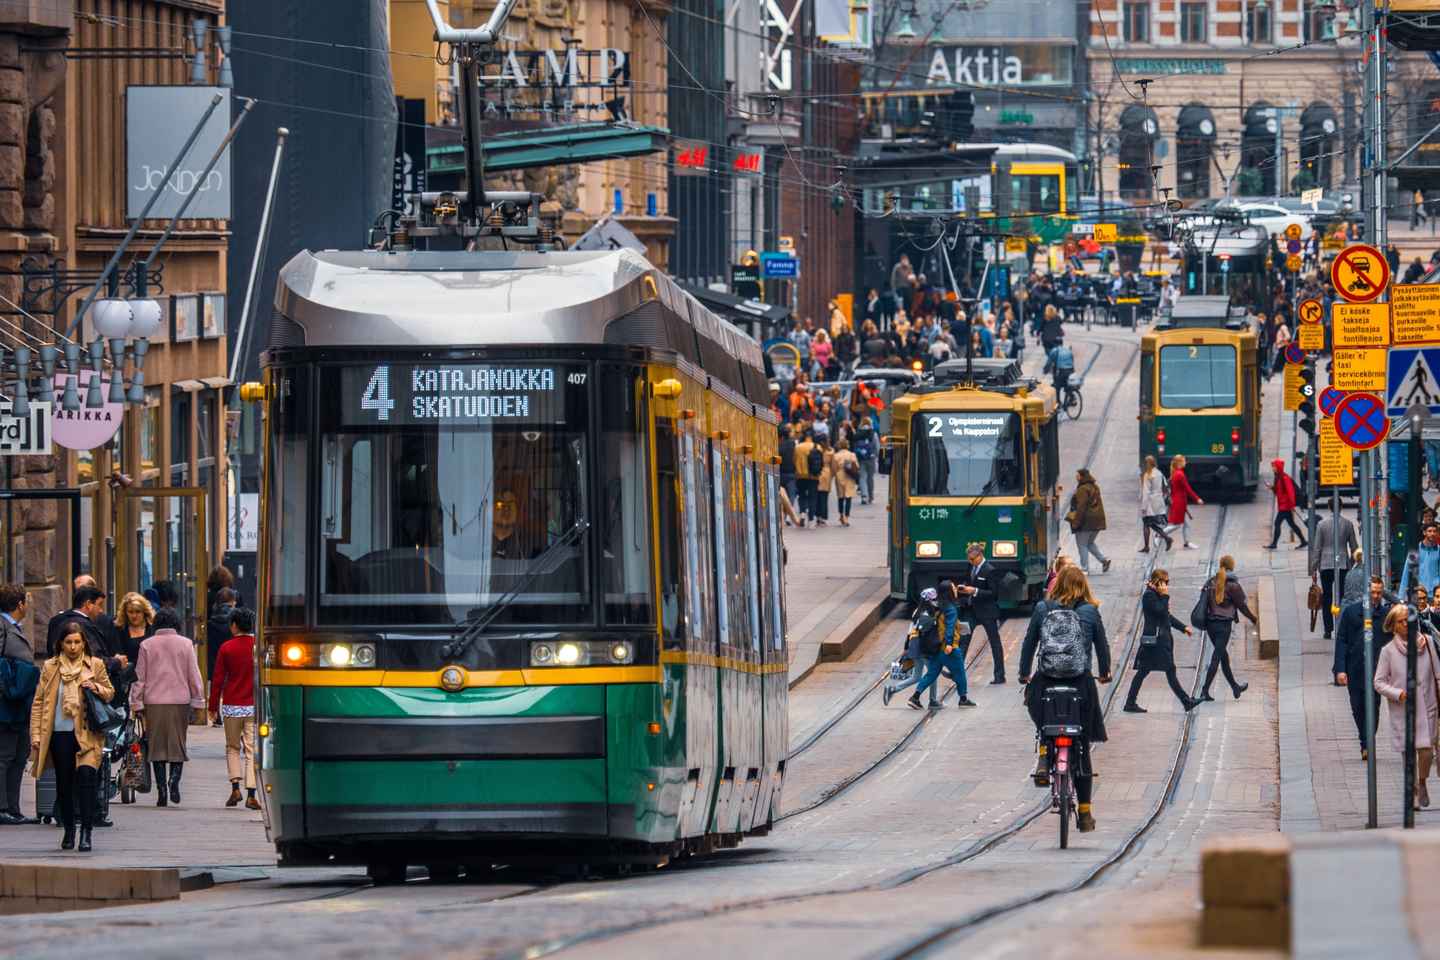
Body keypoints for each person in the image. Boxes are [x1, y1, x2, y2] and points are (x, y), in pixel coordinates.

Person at [1019, 565, 1112, 833]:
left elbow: (1028, 644)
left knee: (1039, 715)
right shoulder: (1090, 612)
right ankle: (1085, 813)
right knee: (1081, 745)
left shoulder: (1042, 609)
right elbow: (1102, 647)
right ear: (1084, 587)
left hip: (1046, 683)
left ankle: (1045, 753)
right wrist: (1104, 672)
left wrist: (1024, 674)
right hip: (1080, 685)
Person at [29, 622, 113, 851]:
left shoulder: (94, 665)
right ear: (61, 644)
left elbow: (109, 692)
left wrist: (95, 686)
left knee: (87, 781)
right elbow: (39, 702)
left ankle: (86, 832)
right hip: (58, 734)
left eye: (77, 642)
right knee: (64, 786)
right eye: (69, 642)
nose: (73, 647)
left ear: (84, 643)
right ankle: (69, 829)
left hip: (87, 735)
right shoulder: (50, 667)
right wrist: (36, 734)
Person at [130, 608, 204, 807]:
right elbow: (193, 675)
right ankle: (174, 781)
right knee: (178, 744)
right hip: (180, 701)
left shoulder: (146, 645)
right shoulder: (186, 644)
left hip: (153, 702)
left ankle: (161, 790)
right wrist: (198, 701)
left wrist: (136, 703)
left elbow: (140, 678)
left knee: (156, 747)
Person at [1374, 604, 1440, 809]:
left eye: (1409, 620)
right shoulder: (1388, 652)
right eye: (1401, 622)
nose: (1406, 625)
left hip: (1428, 706)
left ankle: (1422, 781)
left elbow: (1438, 673)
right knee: (1409, 754)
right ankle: (1412, 793)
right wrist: (1397, 693)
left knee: (1427, 752)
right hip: (1404, 710)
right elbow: (1379, 682)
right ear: (1394, 626)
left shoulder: (1427, 643)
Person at [1124, 569, 1199, 713]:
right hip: (1156, 642)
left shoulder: (1156, 595)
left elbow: (1167, 617)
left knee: (1144, 671)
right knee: (1166, 670)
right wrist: (1165, 596)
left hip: (1159, 641)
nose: (1166, 586)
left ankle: (1130, 702)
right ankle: (1186, 701)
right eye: (1165, 582)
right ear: (1157, 582)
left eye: (1167, 583)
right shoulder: (1149, 596)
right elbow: (1160, 611)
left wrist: (1183, 628)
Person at [209, 607, 260, 810]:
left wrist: (213, 707)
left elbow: (218, 680)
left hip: (231, 705)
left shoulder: (227, 648)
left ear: (234, 625)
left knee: (232, 748)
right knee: (251, 749)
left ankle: (235, 788)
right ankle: (251, 794)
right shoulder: (259, 647)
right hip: (254, 706)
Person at [1335, 576, 1389, 758]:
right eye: (1373, 592)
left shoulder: (1385, 615)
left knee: (1374, 706)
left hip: (1376, 670)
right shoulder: (1351, 613)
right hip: (1356, 669)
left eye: (1379, 593)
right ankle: (1364, 739)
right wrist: (1340, 669)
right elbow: (1341, 641)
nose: (1376, 596)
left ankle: (1368, 742)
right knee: (1358, 706)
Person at [0, 583, 37, 825]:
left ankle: (13, 808)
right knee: (5, 756)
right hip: (6, 704)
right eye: (27, 601)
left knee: (19, 755)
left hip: (20, 704)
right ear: (20, 604)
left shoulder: (15, 627)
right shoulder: (2, 626)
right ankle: (3, 808)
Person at [1199, 556, 1257, 702]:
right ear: (1232, 566)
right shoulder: (1233, 585)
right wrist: (1252, 618)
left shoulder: (1211, 581)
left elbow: (1202, 600)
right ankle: (1204, 690)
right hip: (1223, 626)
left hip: (1211, 625)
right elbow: (1242, 606)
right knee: (1217, 657)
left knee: (1223, 657)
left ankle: (1235, 687)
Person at [958, 542, 1006, 684]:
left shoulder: (990, 570)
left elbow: (994, 593)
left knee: (994, 643)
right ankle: (956, 671)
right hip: (971, 610)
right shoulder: (971, 567)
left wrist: (975, 591)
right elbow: (967, 580)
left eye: (972, 559)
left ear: (980, 556)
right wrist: (963, 588)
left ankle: (999, 675)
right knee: (964, 640)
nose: (971, 562)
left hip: (987, 612)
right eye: (969, 559)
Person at [1309, 511, 1359, 640]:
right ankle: (1342, 625)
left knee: (1327, 597)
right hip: (1342, 564)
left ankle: (1328, 629)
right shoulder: (1348, 524)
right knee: (1343, 597)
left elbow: (1317, 548)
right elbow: (1354, 547)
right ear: (1342, 507)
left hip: (1325, 565)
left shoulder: (1321, 524)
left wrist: (1314, 568)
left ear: (1328, 507)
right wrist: (1351, 562)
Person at [1068, 468, 1112, 575]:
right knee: (1089, 543)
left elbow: (1081, 507)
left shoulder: (1083, 489)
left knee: (1082, 545)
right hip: (1097, 521)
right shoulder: (1094, 487)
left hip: (1086, 521)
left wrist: (1076, 522)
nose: (1076, 477)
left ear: (1082, 477)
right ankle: (1104, 561)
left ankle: (1084, 569)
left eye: (1078, 475)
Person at [1264, 459, 1307, 549]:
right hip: (1283, 506)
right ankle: (1303, 541)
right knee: (1292, 524)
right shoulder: (1278, 477)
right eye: (1273, 467)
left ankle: (1274, 544)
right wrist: (1272, 487)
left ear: (1278, 467)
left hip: (1285, 506)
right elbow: (1278, 492)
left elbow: (1290, 492)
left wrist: (1291, 505)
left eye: (1274, 466)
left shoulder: (1284, 478)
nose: (1273, 468)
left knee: (1277, 523)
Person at [1164, 454, 1203, 549]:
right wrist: (1197, 498)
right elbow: (1188, 489)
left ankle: (1187, 542)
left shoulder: (1176, 473)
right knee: (1177, 525)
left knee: (1186, 524)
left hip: (1178, 501)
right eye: (1184, 461)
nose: (1186, 462)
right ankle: (1160, 534)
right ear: (1180, 463)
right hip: (1179, 502)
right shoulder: (1180, 474)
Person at [109, 592, 155, 667]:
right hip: (128, 674)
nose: (134, 616)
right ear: (125, 612)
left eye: (138, 612)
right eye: (130, 612)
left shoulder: (152, 628)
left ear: (144, 612)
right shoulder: (120, 629)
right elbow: (117, 653)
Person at [1138, 455, 1173, 552]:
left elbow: (1146, 492)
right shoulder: (1159, 473)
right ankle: (1165, 539)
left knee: (1146, 523)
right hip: (1158, 501)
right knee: (1151, 523)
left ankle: (1163, 540)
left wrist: (1144, 507)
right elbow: (1165, 486)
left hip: (1150, 503)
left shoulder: (1148, 475)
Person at [831, 439, 860, 527]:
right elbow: (857, 466)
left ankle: (841, 515)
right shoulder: (852, 455)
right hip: (849, 477)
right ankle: (846, 517)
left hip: (840, 476)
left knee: (840, 497)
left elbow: (834, 468)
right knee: (848, 498)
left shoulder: (836, 456)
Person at [794, 428, 819, 524]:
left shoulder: (798, 447)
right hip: (813, 476)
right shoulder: (817, 447)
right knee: (812, 496)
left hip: (800, 475)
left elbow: (794, 460)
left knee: (802, 495)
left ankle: (802, 513)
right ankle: (811, 518)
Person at [853, 420, 878, 506]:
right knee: (870, 478)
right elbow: (877, 447)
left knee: (862, 477)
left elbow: (854, 445)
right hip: (871, 459)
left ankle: (864, 496)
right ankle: (870, 497)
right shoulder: (873, 434)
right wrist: (874, 455)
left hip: (861, 458)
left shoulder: (858, 433)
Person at [778, 424, 799, 516]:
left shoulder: (779, 446)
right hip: (791, 473)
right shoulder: (794, 444)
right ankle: (788, 515)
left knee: (781, 495)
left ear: (781, 436)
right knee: (791, 496)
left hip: (781, 472)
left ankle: (784, 514)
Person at [813, 439, 834, 527]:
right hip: (827, 473)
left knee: (817, 496)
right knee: (824, 497)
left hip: (818, 473)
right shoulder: (831, 452)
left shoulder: (816, 451)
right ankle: (823, 517)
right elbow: (833, 466)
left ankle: (817, 516)